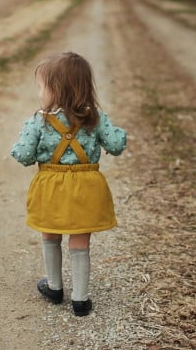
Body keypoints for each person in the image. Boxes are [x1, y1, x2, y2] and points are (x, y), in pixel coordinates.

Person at [10, 52, 127, 317]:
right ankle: (80, 300)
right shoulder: (96, 118)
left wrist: (19, 151)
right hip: (87, 186)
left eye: (42, 87)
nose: (39, 93)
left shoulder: (39, 120)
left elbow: (24, 154)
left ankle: (54, 287)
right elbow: (117, 144)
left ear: (56, 89)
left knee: (50, 233)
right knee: (80, 239)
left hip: (50, 185)